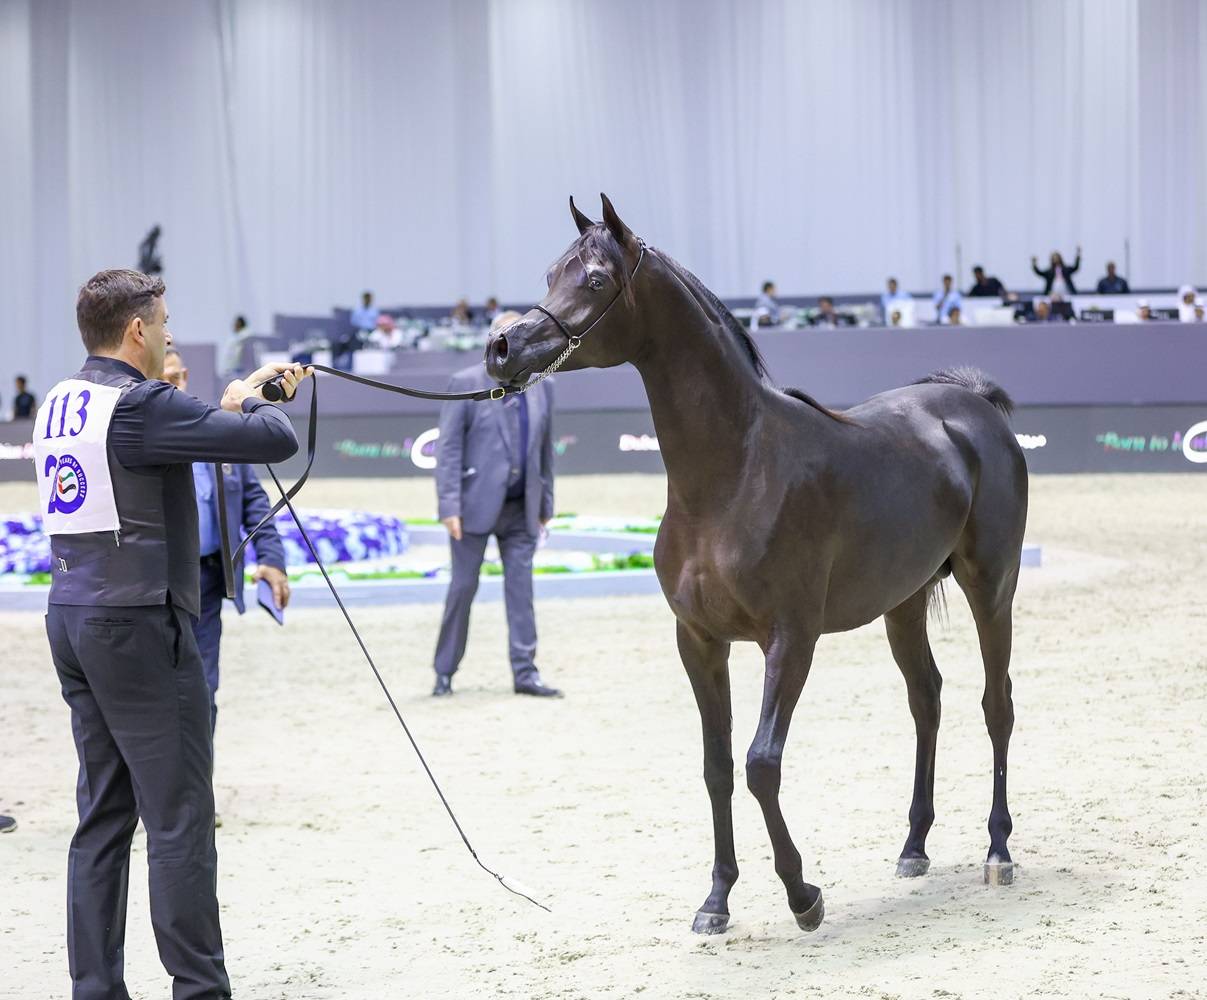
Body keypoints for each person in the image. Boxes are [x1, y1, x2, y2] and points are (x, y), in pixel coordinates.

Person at [38, 268, 308, 999]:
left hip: (72, 614)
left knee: (101, 818)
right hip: (138, 626)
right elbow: (273, 438)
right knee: (180, 820)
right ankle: (199, 990)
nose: (166, 336)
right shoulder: (141, 404)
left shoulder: (62, 400)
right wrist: (251, 396)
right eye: (163, 324)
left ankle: (95, 988)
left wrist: (224, 404)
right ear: (136, 330)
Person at [162, 346, 290, 735]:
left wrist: (271, 558)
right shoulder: (146, 432)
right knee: (162, 693)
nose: (172, 385)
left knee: (204, 689)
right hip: (159, 585)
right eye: (163, 379)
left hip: (209, 580)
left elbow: (253, 499)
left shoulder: (214, 427)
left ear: (185, 375)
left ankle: (199, 788)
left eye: (176, 377)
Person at [432, 311, 560, 698]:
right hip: (473, 508)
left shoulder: (543, 385)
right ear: (493, 343)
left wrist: (546, 506)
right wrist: (449, 506)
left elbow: (545, 452)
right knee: (462, 588)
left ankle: (526, 673)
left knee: (522, 593)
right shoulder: (466, 383)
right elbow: (449, 448)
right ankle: (445, 671)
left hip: (522, 509)